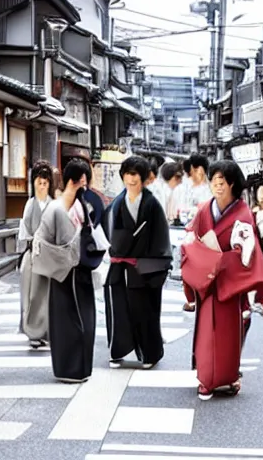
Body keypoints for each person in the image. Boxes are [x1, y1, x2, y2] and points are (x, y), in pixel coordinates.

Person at [182, 160, 263, 400]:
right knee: (206, 335)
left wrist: (220, 261)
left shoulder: (242, 213)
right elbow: (191, 239)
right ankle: (206, 379)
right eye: (213, 182)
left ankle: (228, 378)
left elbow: (247, 254)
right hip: (207, 284)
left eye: (222, 182)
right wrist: (200, 256)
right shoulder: (204, 210)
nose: (217, 187)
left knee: (227, 336)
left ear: (232, 184)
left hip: (230, 286)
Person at [103, 156, 172, 370]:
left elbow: (160, 237)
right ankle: (117, 351)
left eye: (136, 175)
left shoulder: (152, 205)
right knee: (118, 310)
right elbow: (104, 231)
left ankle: (149, 353)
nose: (131, 179)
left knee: (145, 312)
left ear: (143, 179)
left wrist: (155, 265)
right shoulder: (115, 204)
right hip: (118, 267)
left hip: (143, 269)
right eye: (127, 174)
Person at [36, 158, 96, 383]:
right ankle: (68, 369)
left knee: (85, 321)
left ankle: (81, 368)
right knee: (66, 323)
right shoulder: (55, 208)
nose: (86, 185)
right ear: (77, 181)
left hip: (80, 272)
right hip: (63, 274)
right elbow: (42, 240)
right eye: (84, 180)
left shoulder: (82, 206)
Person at [17, 160, 54, 348]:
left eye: (45, 183)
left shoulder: (54, 204)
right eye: (38, 183)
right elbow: (24, 232)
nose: (41, 186)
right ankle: (32, 331)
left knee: (47, 296)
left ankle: (46, 330)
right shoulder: (30, 204)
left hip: (49, 256)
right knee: (31, 295)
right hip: (32, 255)